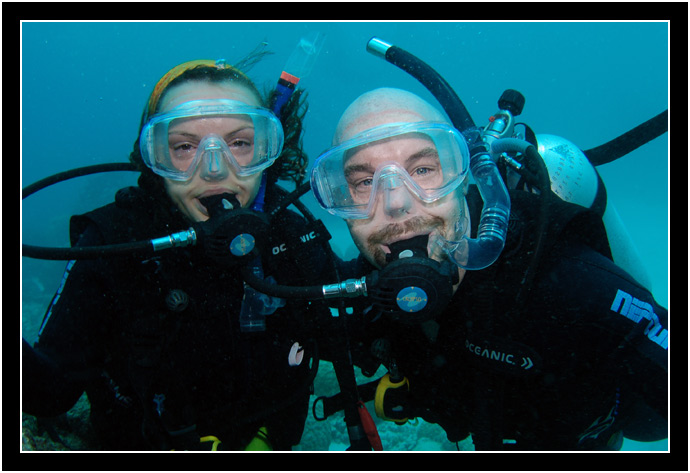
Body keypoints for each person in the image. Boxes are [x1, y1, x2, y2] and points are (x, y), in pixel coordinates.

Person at [309, 87, 668, 450]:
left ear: (464, 178)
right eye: (364, 182)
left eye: (422, 169)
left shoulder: (567, 281)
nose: (397, 203)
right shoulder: (359, 297)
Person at [22, 52, 335, 451]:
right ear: (154, 160)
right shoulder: (116, 242)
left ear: (268, 150)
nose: (215, 170)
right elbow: (49, 391)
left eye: (240, 143)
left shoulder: (293, 237)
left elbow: (360, 332)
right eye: (184, 147)